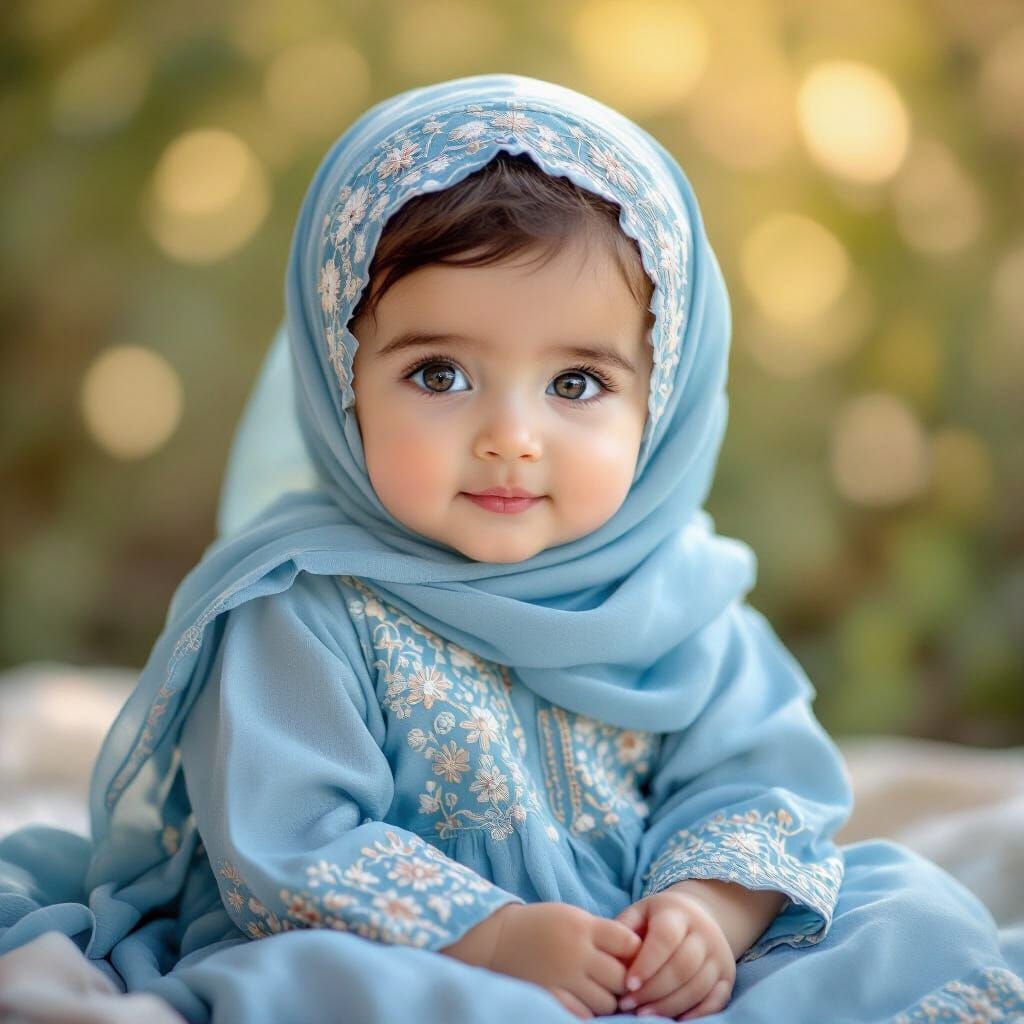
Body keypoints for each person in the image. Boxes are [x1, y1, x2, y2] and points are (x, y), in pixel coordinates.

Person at [1, 73, 1022, 1024]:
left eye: (575, 383)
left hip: (637, 953)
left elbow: (756, 783)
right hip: (411, 951)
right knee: (317, 986)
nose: (510, 435)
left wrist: (704, 915)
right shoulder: (302, 605)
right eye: (439, 373)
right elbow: (285, 840)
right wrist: (486, 936)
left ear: (658, 404)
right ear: (339, 376)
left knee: (905, 909)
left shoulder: (679, 604)